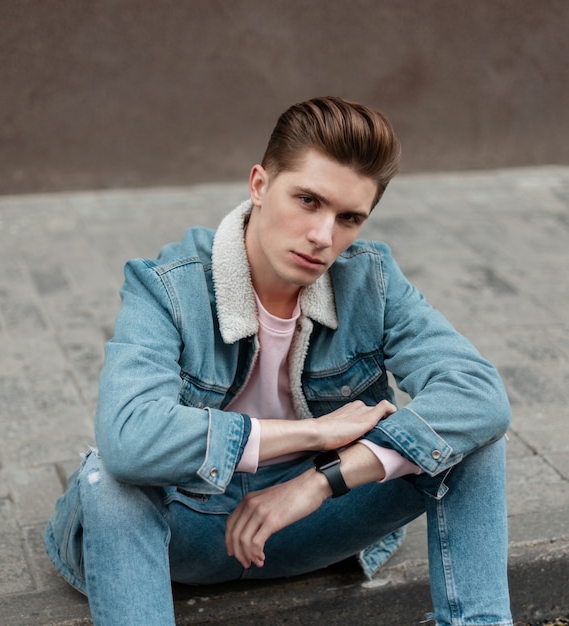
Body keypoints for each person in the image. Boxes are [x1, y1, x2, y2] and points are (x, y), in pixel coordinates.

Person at [44, 96, 513, 626]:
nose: (323, 236)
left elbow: (479, 393)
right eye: (308, 201)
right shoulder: (168, 288)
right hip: (185, 533)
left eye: (349, 218)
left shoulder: (371, 282)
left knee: (471, 438)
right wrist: (314, 436)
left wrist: (319, 482)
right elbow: (129, 438)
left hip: (311, 526)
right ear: (260, 186)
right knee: (110, 480)